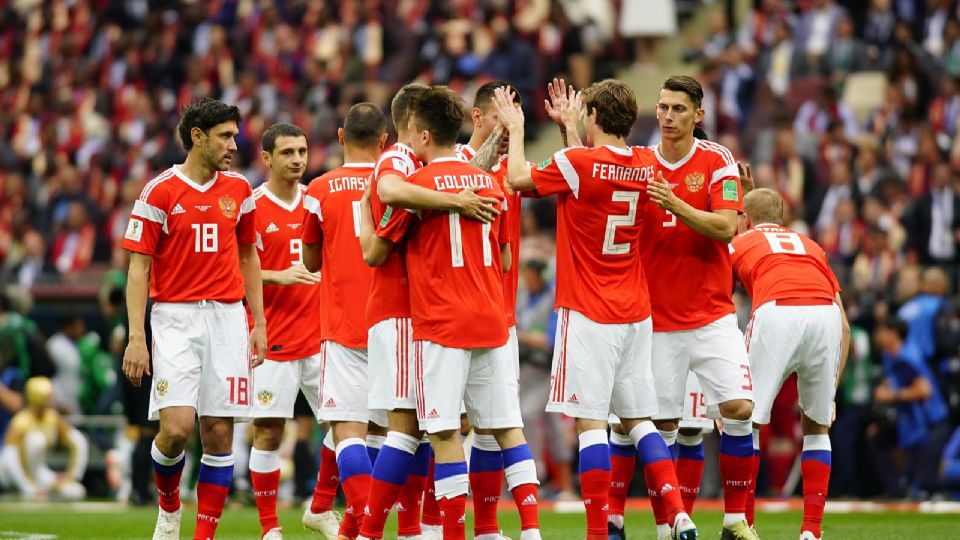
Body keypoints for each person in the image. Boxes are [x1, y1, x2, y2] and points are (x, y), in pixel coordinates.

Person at [493, 80, 697, 540]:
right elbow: (591, 179)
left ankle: (595, 532)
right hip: (635, 311)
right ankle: (679, 512)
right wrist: (569, 128)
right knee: (639, 419)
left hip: (587, 310)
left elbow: (518, 178)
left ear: (595, 117)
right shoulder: (646, 164)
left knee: (591, 424)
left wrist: (518, 127)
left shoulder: (579, 162)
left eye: (585, 114)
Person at [365, 85, 541, 540]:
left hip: (443, 322)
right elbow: (504, 261)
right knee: (507, 429)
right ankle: (532, 530)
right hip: (493, 317)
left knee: (443, 435)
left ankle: (453, 535)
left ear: (422, 136)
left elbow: (380, 232)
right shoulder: (489, 181)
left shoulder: (415, 185)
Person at [121, 96, 267, 540]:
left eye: (235, 136)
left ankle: (203, 536)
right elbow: (138, 268)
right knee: (177, 429)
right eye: (224, 136)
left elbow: (248, 257)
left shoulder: (239, 190)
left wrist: (257, 322)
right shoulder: (159, 191)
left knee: (220, 433)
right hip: (174, 319)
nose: (233, 144)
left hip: (226, 318)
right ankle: (168, 508)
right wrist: (136, 337)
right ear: (197, 137)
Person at [622, 75, 756, 540]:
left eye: (679, 109)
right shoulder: (639, 162)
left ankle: (737, 521)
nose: (668, 116)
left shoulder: (715, 159)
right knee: (663, 426)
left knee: (739, 408)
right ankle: (670, 525)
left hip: (712, 315)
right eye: (662, 107)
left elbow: (726, 229)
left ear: (698, 115)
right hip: (656, 322)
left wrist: (675, 203)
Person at [729, 188, 851, 540]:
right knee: (816, 427)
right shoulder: (812, 246)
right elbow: (844, 326)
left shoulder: (740, 241)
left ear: (746, 220)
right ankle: (812, 530)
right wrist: (830, 393)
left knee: (745, 422)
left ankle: (744, 524)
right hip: (825, 315)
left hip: (777, 311)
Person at [244, 122, 340, 540]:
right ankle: (269, 527)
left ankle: (319, 506)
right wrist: (276, 275)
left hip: (322, 337)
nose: (297, 159)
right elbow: (231, 271)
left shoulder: (317, 200)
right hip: (273, 339)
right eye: (287, 153)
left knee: (344, 426)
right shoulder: (250, 207)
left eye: (301, 151)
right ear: (266, 158)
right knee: (269, 429)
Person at [301, 103, 390, 540]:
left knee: (348, 433)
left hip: (341, 326)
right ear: (384, 142)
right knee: (389, 433)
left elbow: (310, 258)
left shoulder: (318, 189)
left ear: (340, 137)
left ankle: (367, 529)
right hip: (392, 323)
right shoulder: (394, 183)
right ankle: (361, 531)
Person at [0, 376, 87, 500]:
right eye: (48, 396)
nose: (51, 399)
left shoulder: (51, 417)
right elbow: (9, 458)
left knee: (75, 491)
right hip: (13, 475)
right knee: (36, 439)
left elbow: (78, 440)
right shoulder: (21, 421)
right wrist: (26, 486)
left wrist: (72, 476)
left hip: (39, 474)